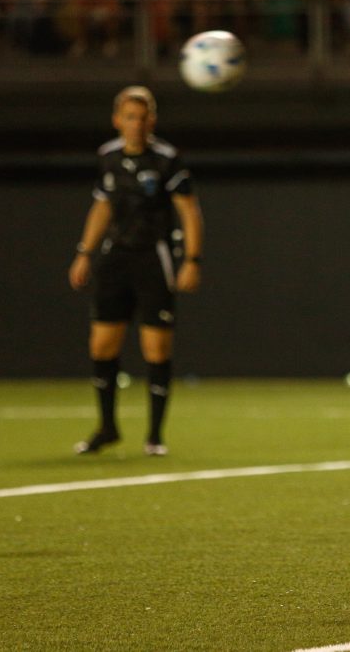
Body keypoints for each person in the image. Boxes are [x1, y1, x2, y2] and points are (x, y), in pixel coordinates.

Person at [68, 86, 204, 457]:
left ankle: (155, 435)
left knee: (155, 348)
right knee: (102, 345)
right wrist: (84, 252)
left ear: (152, 121)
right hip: (115, 259)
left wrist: (191, 259)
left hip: (153, 258)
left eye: (143, 117)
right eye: (130, 117)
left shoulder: (166, 159)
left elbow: (189, 210)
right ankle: (107, 427)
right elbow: (102, 206)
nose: (136, 124)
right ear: (117, 121)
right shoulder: (108, 157)